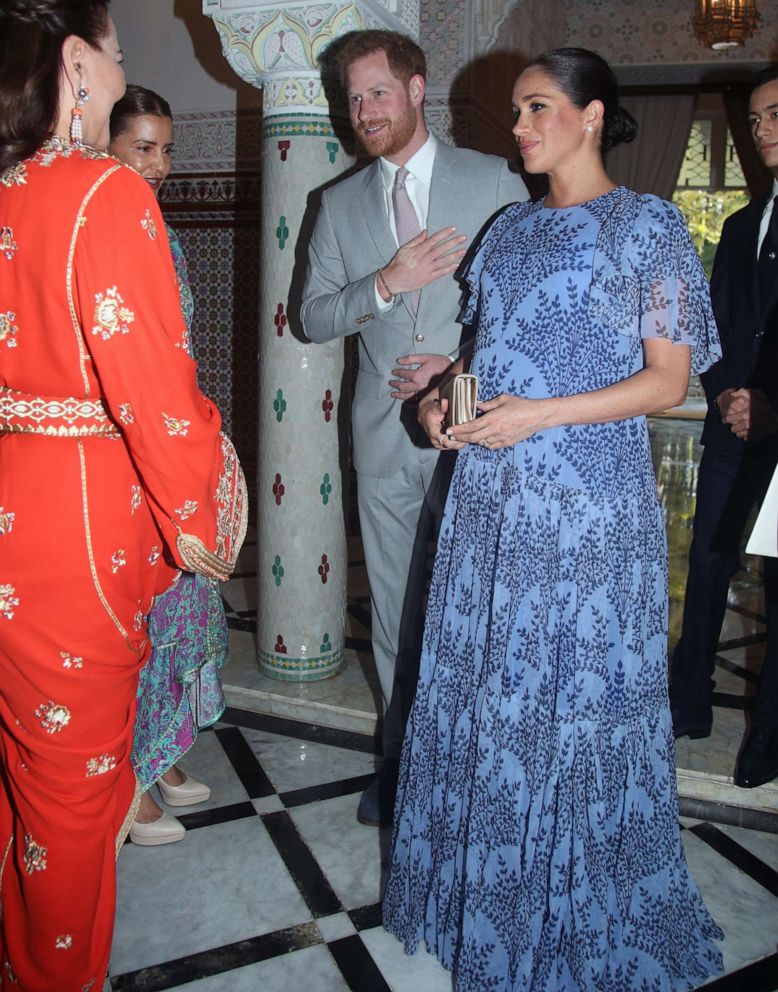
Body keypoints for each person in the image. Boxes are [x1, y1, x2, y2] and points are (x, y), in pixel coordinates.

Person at [383, 47, 724, 990]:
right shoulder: (506, 230)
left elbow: (667, 379)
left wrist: (537, 416)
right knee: (493, 695)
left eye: (539, 108)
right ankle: (483, 896)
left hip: (588, 509)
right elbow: (479, 357)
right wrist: (438, 402)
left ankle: (575, 910)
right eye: (518, 111)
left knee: (575, 706)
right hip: (490, 505)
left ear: (590, 114)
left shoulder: (646, 226)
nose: (522, 127)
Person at [0, 3, 247, 989]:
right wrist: (208, 508)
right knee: (71, 793)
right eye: (115, 49)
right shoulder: (101, 192)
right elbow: (159, 399)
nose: (118, 64)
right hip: (73, 525)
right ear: (75, 61)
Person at [301, 29, 528, 825]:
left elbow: (523, 307)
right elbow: (312, 316)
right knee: (396, 604)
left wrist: (456, 366)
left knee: (479, 595)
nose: (363, 111)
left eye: (377, 93)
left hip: (470, 422)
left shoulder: (494, 181)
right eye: (353, 98)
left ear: (418, 88)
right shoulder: (334, 205)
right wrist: (386, 283)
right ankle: (404, 764)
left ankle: (475, 760)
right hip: (381, 434)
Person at [108, 85, 229, 846]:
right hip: (123, 452)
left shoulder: (158, 228)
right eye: (142, 148)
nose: (159, 165)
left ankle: (162, 751)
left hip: (173, 434)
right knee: (140, 617)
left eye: (166, 149)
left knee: (187, 605)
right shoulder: (98, 228)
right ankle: (126, 779)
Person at [670, 66, 778, 790]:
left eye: (774, 114)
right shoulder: (742, 225)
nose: (760, 128)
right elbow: (708, 324)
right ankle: (687, 708)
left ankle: (766, 744)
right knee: (706, 565)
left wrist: (770, 402)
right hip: (731, 428)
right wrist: (726, 395)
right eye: (757, 117)